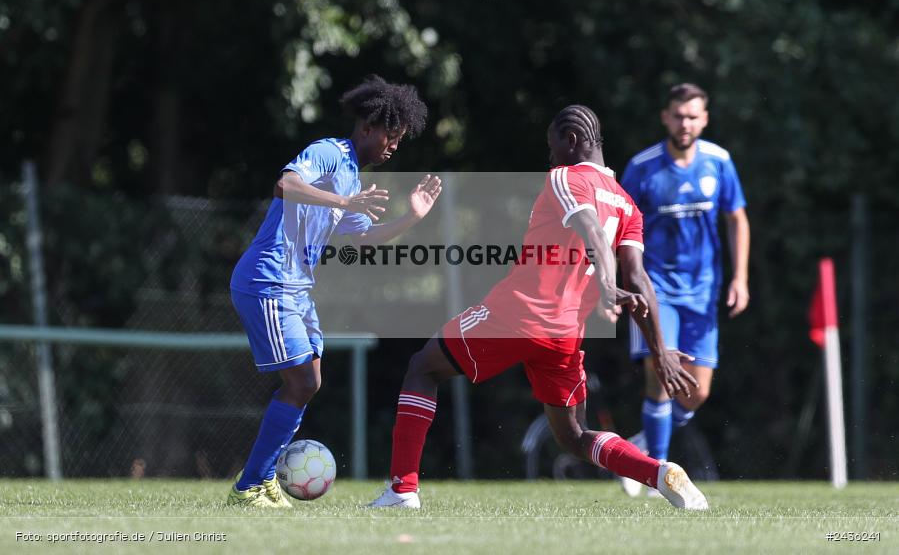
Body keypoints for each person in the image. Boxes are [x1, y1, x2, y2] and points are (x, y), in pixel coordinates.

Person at [368, 104, 709, 510]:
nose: (550, 158)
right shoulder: (627, 205)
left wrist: (604, 281)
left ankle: (402, 490)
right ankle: (657, 472)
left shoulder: (565, 177)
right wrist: (660, 352)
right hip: (564, 334)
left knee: (423, 368)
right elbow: (639, 280)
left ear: (572, 141)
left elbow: (592, 232)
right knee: (574, 436)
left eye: (552, 147)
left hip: (516, 315)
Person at [227, 75, 442, 507]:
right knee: (302, 379)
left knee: (311, 380)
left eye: (400, 139)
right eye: (391, 135)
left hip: (296, 289)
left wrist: (411, 218)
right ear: (367, 128)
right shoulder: (330, 153)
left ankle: (262, 479)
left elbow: (363, 239)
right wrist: (344, 203)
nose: (394, 146)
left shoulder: (351, 178)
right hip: (268, 279)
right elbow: (285, 185)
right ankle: (250, 486)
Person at [618, 83, 750, 498]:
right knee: (660, 379)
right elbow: (619, 229)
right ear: (665, 117)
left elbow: (737, 219)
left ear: (705, 119)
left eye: (693, 116)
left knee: (698, 391)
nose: (685, 123)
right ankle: (656, 473)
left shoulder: (719, 162)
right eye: (678, 115)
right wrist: (619, 286)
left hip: (703, 292)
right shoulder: (643, 168)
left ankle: (639, 450)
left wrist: (740, 277)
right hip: (656, 293)